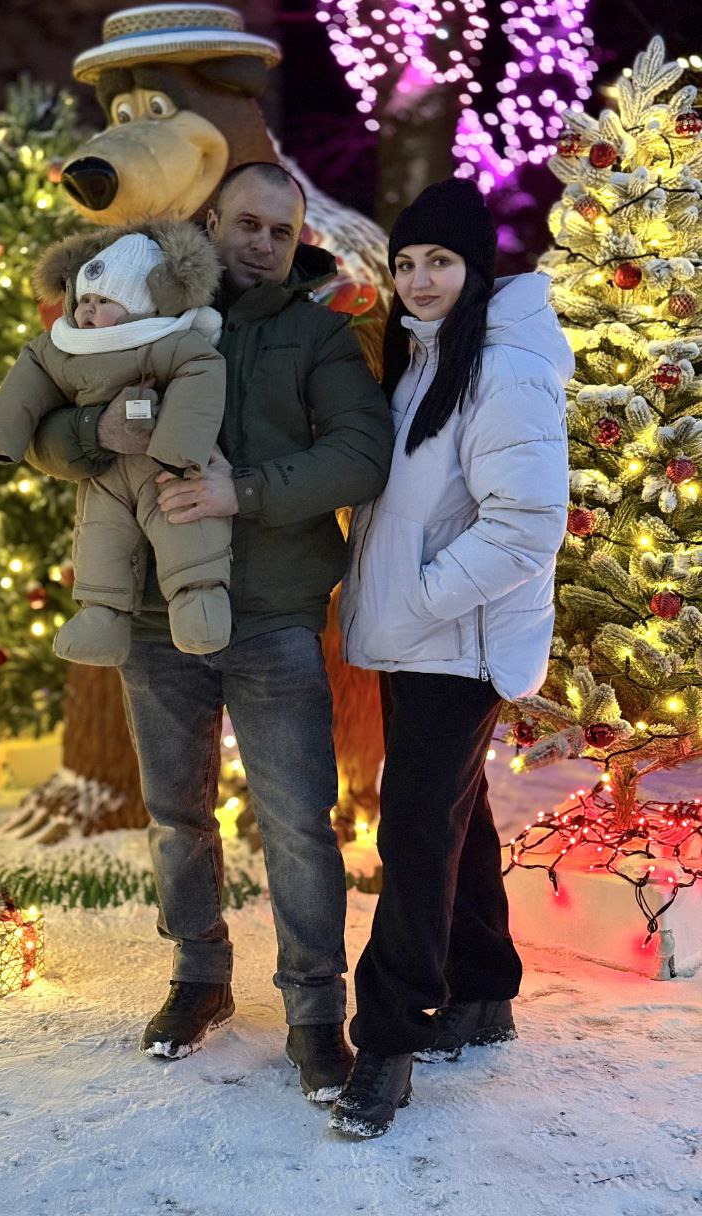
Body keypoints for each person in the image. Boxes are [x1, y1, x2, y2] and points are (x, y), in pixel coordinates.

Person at [26, 162, 394, 1102]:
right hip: (157, 617)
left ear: (297, 241)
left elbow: (362, 453)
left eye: (281, 230)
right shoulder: (142, 309)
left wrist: (248, 491)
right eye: (247, 223)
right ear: (211, 221)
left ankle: (316, 1011)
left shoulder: (318, 334)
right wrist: (95, 436)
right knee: (178, 816)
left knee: (298, 825)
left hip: (272, 617)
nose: (262, 243)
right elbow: (45, 421)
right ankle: (199, 978)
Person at [333, 178, 574, 1138]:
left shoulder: (502, 368)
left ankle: (386, 1046)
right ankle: (482, 989)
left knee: (413, 835)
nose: (420, 280)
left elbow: (527, 525)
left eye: (440, 261)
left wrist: (421, 598)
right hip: (420, 637)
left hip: (456, 642)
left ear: (476, 267)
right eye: (406, 263)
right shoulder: (426, 356)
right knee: (454, 820)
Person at [0, 224, 232, 663]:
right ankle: (102, 615)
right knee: (100, 536)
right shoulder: (64, 347)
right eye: (85, 299)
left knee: (183, 520)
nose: (89, 310)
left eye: (105, 301)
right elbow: (31, 375)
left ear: (140, 306)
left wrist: (177, 448)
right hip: (104, 471)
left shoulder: (162, 340)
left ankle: (199, 598)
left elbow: (201, 369)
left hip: (163, 465)